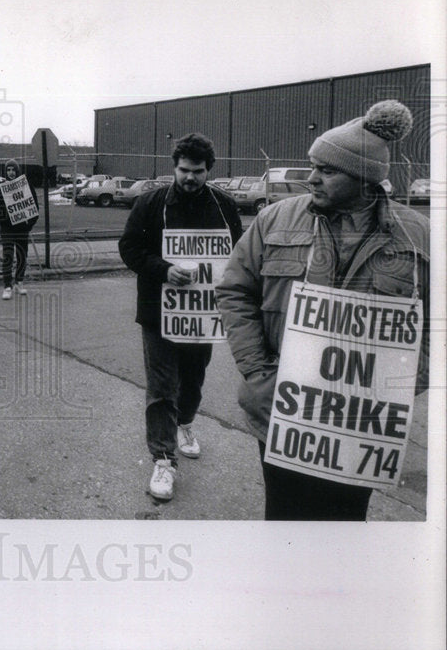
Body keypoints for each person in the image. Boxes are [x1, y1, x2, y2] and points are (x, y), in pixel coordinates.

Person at [216, 100, 429, 520]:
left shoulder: (420, 234)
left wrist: (399, 388)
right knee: (286, 522)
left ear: (365, 179)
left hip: (361, 425)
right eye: (313, 165)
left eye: (327, 170)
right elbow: (235, 291)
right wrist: (259, 374)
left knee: (345, 526)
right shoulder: (275, 220)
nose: (311, 178)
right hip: (283, 410)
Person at [118, 133, 243, 501]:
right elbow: (129, 248)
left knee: (193, 379)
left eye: (198, 172)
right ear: (174, 168)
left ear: (209, 171)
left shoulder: (224, 205)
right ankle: (163, 459)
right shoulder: (151, 203)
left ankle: (185, 423)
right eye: (184, 170)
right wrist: (163, 268)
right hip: (158, 312)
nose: (190, 178)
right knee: (161, 386)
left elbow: (237, 253)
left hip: (202, 313)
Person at [0, 159, 39, 300]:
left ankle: (19, 281)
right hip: (7, 228)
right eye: (8, 170)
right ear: (5, 172)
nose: (11, 173)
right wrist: (5, 205)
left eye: (13, 170)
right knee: (8, 256)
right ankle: (7, 285)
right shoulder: (1, 186)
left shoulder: (25, 185)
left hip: (22, 227)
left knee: (22, 255)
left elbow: (34, 205)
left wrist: (30, 224)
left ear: (17, 171)